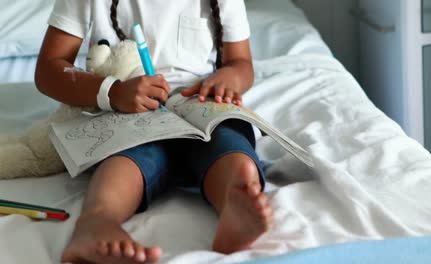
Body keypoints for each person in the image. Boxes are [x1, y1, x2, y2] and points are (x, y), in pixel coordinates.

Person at [35, 0, 273, 263]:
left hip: (201, 105)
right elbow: (48, 69)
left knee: (228, 142)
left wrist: (231, 78)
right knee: (129, 154)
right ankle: (97, 221)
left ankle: (235, 202)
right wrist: (112, 92)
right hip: (128, 107)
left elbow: (241, 63)